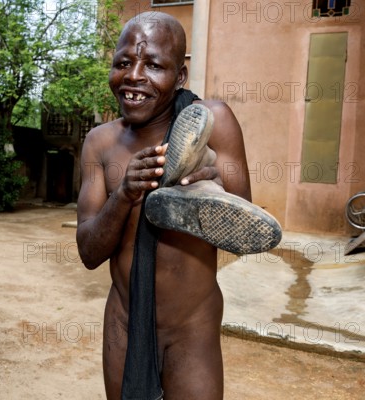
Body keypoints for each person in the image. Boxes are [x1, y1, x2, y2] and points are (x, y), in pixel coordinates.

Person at [76, 11, 260, 399]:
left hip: (192, 328)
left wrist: (212, 190)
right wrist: (125, 193)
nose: (134, 76)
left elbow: (247, 235)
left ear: (180, 77)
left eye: (153, 65)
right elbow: (89, 252)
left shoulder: (214, 122)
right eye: (123, 63)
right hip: (125, 325)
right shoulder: (100, 143)